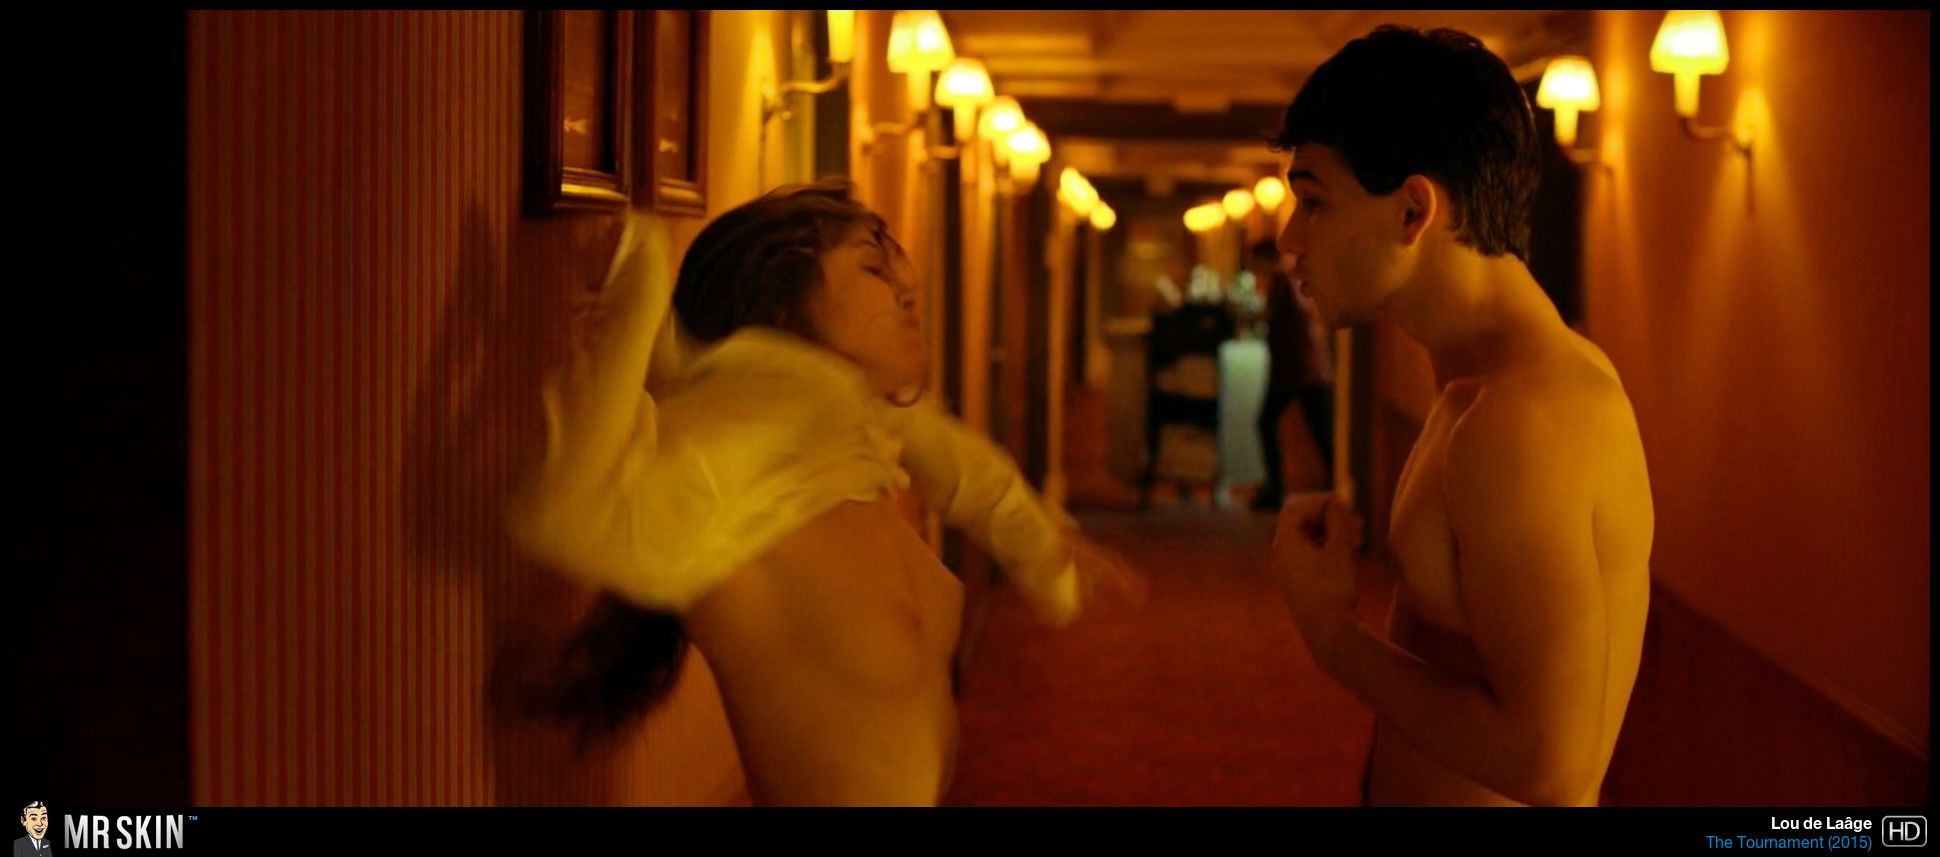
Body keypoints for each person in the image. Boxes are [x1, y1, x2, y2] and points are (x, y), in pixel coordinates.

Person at [504, 181, 1139, 806]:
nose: (908, 289)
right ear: (781, 304)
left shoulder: (838, 443)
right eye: (873, 269)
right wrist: (640, 292)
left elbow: (957, 461)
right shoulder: (740, 461)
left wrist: (1044, 551)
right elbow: (564, 512)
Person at [1264, 26, 1654, 806]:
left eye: (1314, 202)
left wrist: (1332, 637)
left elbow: (1553, 764)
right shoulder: (1470, 384)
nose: (1290, 238)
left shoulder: (1527, 414)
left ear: (1413, 210)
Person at [1248, 239, 1334, 511]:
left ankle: (1276, 491)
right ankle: (1283, 489)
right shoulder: (1286, 282)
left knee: (1271, 424)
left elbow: (1281, 322)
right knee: (1320, 432)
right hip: (1306, 370)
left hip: (1298, 371)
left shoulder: (1282, 283)